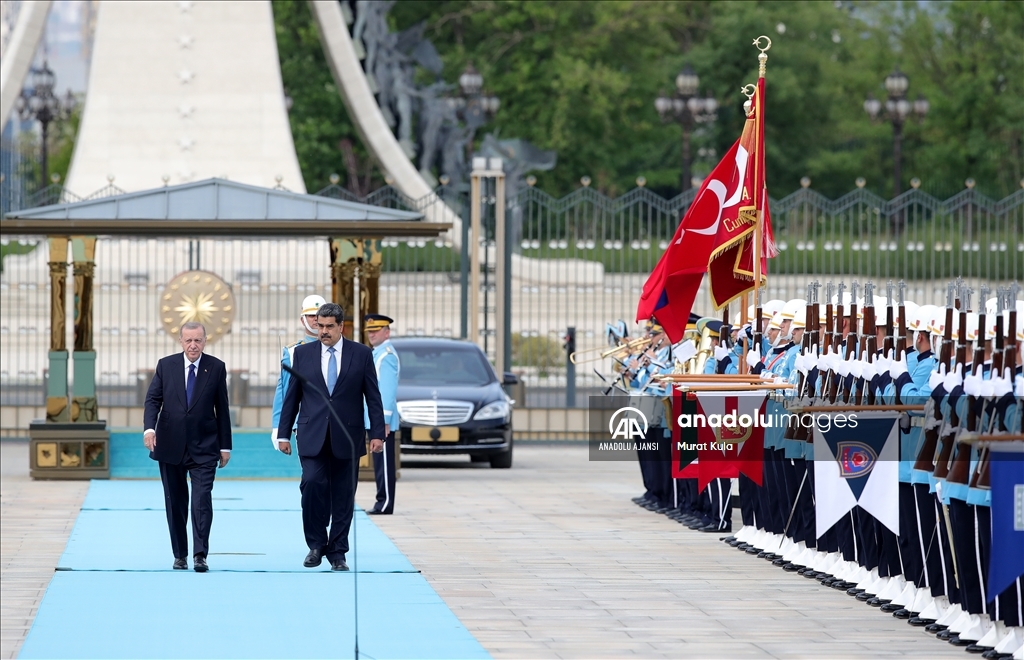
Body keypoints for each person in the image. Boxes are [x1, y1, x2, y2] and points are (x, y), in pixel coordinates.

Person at [277, 303, 386, 571]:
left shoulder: (361, 355)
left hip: (347, 435)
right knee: (312, 485)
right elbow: (292, 396)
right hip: (312, 434)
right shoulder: (302, 354)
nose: (322, 331)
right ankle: (316, 544)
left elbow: (373, 396)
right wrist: (282, 434)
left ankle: (337, 552)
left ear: (341, 327)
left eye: (328, 327)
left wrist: (377, 434)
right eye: (319, 326)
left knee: (344, 495)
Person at [143, 321, 232, 572]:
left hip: (204, 445)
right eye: (189, 340)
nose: (193, 345)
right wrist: (150, 428)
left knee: (202, 500)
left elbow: (222, 409)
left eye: (198, 340)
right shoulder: (166, 365)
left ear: (205, 341)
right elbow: (153, 399)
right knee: (176, 502)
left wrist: (225, 446)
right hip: (170, 444)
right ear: (181, 341)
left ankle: (200, 554)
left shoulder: (216, 368)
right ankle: (180, 554)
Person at [271, 294, 326, 448]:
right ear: (303, 320)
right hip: (306, 422)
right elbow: (284, 391)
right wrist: (278, 427)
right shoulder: (293, 351)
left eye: (319, 315)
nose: (315, 319)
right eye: (311, 316)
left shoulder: (340, 348)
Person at [363, 314, 401, 515]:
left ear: (387, 332)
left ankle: (384, 503)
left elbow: (387, 391)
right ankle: (382, 500)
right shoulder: (377, 354)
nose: (372, 334)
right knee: (380, 462)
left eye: (376, 330)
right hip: (375, 418)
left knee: (384, 463)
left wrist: (384, 421)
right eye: (370, 330)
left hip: (381, 420)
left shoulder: (386, 356)